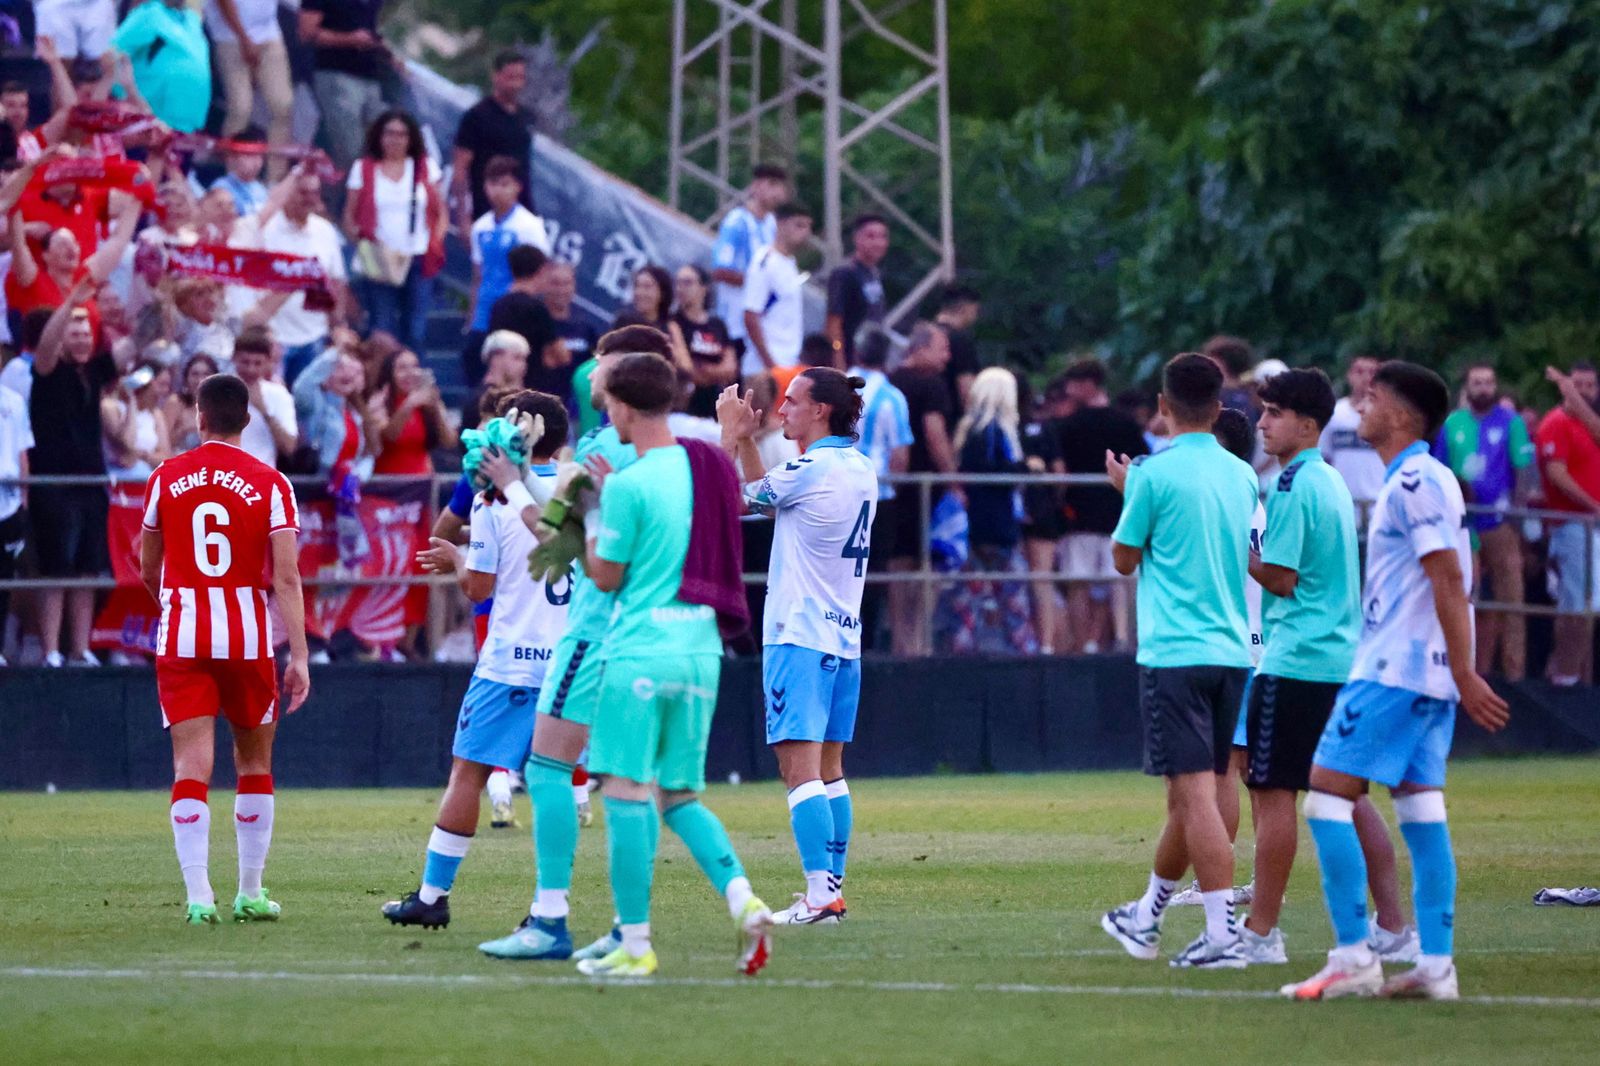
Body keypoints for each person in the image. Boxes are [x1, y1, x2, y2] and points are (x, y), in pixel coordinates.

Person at [1282, 361, 1510, 1001]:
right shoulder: (1421, 478)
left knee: (1326, 796)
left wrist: (1465, 671)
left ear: (1404, 416)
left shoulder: (1413, 479)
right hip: (1423, 674)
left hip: (1395, 671)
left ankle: (1354, 957)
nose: (1362, 401)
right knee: (1420, 809)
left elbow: (1447, 577)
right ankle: (1435, 967)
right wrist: (1454, 672)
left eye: (1373, 395)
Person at [568, 349, 774, 979]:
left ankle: (634, 944)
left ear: (625, 407)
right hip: (702, 650)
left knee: (625, 792)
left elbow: (605, 577)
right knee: (680, 796)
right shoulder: (708, 463)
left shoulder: (629, 484)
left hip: (639, 651)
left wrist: (585, 512)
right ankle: (745, 900)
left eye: (608, 406)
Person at [380, 391, 569, 929]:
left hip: (510, 662)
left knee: (468, 773)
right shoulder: (583, 488)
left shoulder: (494, 499)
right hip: (574, 661)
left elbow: (478, 586)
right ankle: (549, 906)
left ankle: (432, 896)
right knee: (560, 782)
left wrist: (458, 556)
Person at [1099, 352, 1258, 970]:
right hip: (1230, 652)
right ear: (1220, 409)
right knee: (1192, 795)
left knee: (1193, 799)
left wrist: (1128, 491)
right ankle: (1146, 915)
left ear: (1162, 407)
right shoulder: (1243, 474)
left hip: (1175, 654)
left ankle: (1222, 934)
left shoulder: (1154, 475)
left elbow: (1122, 558)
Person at [138, 372, 311, 925]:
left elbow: (147, 567)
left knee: (191, 763)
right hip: (247, 638)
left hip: (184, 634)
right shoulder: (271, 482)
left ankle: (197, 897)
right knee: (254, 761)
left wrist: (180, 602)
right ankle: (250, 892)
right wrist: (301, 656)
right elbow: (286, 578)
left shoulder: (166, 477)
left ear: (199, 416)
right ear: (248, 419)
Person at [718, 367, 876, 924]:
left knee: (799, 770)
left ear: (821, 412)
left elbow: (730, 501)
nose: (781, 410)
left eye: (791, 402)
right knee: (830, 770)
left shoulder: (811, 469)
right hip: (842, 638)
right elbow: (767, 501)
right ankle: (829, 890)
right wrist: (749, 445)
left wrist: (732, 434)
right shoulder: (856, 466)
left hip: (799, 636)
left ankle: (819, 896)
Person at [1232, 369, 1361, 964]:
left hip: (1295, 658)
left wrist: (1244, 552)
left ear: (1307, 425)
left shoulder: (1289, 484)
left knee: (1272, 792)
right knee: (1344, 796)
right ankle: (1390, 923)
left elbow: (1280, 578)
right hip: (1335, 655)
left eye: (1274, 413)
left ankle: (1259, 934)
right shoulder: (1330, 479)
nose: (1262, 423)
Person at [29, 284, 129, 668]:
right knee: (56, 566)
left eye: (87, 331)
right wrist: (69, 303)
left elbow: (133, 349)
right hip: (53, 484)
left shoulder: (96, 370)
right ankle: (52, 649)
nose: (83, 336)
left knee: (87, 567)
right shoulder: (47, 370)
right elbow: (47, 344)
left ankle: (79, 648)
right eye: (74, 331)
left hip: (91, 484)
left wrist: (157, 298)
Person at [1432, 364, 1533, 681]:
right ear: (1467, 386)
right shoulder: (1453, 424)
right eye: (1477, 382)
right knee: (1464, 595)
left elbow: (1525, 470)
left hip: (1500, 523)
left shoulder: (1511, 422)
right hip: (1463, 523)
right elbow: (1439, 469)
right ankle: (1463, 670)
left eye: (1489, 382)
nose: (1484, 388)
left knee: (1512, 601)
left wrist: (1516, 516)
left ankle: (1515, 675)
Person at [1050, 358, 1148, 654]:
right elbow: (1142, 463)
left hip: (1078, 517)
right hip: (1120, 515)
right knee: (1120, 581)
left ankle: (1083, 645)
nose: (1068, 390)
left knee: (1077, 580)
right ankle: (1121, 639)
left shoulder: (1067, 426)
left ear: (1089, 384)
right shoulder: (1127, 424)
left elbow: (1060, 472)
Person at [343, 110, 445, 355]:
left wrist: (435, 240)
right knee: (383, 325)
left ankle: (415, 377)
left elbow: (440, 212)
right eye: (390, 133)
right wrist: (362, 244)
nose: (395, 140)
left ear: (411, 139)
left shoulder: (424, 167)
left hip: (418, 254)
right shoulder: (364, 168)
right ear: (380, 136)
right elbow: (349, 214)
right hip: (380, 255)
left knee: (416, 326)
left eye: (402, 134)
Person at [949, 367, 1036, 655]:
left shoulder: (969, 430)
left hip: (973, 525)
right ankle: (1023, 655)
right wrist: (1026, 468)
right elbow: (998, 473)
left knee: (969, 600)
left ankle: (962, 653)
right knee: (1014, 599)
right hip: (997, 526)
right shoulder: (995, 433)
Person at [886, 322, 956, 656]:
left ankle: (900, 640)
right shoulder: (932, 386)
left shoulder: (889, 381)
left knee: (897, 566)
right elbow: (935, 433)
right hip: (924, 490)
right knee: (926, 566)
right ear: (921, 348)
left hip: (892, 489)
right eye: (942, 348)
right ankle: (918, 644)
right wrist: (955, 480)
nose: (948, 357)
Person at [242, 171, 349, 385]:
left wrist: (338, 325)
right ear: (287, 193)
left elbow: (337, 282)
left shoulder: (325, 230)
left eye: (315, 193)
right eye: (303, 192)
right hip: (273, 338)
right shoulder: (264, 231)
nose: (310, 198)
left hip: (315, 335)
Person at [1533, 363, 1600, 687]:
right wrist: (1594, 507)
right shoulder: (1556, 423)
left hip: (1591, 525)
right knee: (1576, 604)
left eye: (1590, 385)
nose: (1585, 391)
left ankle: (1573, 676)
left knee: (1586, 604)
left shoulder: (1590, 425)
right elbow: (1557, 475)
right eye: (1578, 385)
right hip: (1572, 524)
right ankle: (1564, 678)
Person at [849, 325, 913, 651]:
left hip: (837, 490)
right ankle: (867, 642)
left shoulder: (839, 387)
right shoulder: (892, 397)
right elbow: (900, 454)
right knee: (872, 570)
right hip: (879, 494)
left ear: (857, 352)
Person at [466, 155, 549, 370]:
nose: (498, 191)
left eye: (505, 184)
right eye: (493, 184)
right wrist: (472, 318)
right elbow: (478, 275)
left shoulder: (528, 225)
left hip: (514, 313)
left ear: (517, 187)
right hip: (484, 313)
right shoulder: (480, 227)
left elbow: (541, 272)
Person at [299, 0, 394, 173]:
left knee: (383, 142)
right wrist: (349, 39)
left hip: (370, 77)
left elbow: (370, 26)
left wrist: (386, 52)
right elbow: (307, 33)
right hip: (336, 74)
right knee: (351, 152)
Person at [450, 51, 538, 230]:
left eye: (520, 78)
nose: (516, 84)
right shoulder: (477, 116)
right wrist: (463, 217)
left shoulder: (526, 118)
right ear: (496, 76)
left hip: (520, 209)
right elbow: (460, 169)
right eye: (510, 77)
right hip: (486, 208)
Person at [711, 165, 788, 366]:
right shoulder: (737, 222)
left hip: (761, 326)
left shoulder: (772, 223)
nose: (778, 193)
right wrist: (758, 282)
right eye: (772, 185)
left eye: (781, 186)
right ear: (755, 187)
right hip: (734, 324)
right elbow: (720, 270)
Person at [205, 2, 293, 154]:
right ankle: (233, 167)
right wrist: (243, 38)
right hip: (230, 37)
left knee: (282, 105)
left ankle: (276, 174)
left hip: (269, 33)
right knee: (241, 108)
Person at [112, 0, 211, 133]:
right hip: (152, 125)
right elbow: (111, 54)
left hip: (188, 125)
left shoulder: (192, 19)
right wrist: (128, 94)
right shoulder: (150, 14)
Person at [487, 245, 568, 397]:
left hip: (502, 386)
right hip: (534, 387)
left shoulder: (498, 306)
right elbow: (560, 354)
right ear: (541, 271)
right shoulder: (537, 308)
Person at [741, 204, 812, 376]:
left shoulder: (789, 262)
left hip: (788, 362)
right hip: (764, 368)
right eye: (799, 225)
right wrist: (771, 365)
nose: (805, 233)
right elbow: (751, 315)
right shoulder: (765, 262)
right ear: (780, 224)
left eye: (808, 227)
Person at [293, 346, 373, 478]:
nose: (347, 374)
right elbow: (301, 386)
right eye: (339, 368)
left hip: (344, 491)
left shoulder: (354, 413)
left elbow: (367, 455)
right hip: (314, 487)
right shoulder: (314, 405)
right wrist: (336, 350)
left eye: (352, 369)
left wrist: (357, 475)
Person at [670, 264, 735, 418]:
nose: (680, 288)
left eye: (687, 283)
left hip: (712, 411)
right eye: (678, 283)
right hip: (680, 409)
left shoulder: (718, 325)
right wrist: (713, 372)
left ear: (704, 287)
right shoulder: (673, 322)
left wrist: (702, 369)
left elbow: (730, 369)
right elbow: (686, 369)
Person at [1320, 354, 1385, 506]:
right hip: (1343, 502)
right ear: (1349, 375)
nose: (1366, 378)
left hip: (1376, 502)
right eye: (1360, 372)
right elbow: (1324, 457)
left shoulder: (1385, 416)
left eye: (1372, 372)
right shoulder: (1334, 414)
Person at [826, 215, 889, 367]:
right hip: (851, 360)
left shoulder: (873, 274)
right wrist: (838, 360)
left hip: (871, 359)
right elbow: (833, 322)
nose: (878, 243)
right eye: (871, 236)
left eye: (882, 237)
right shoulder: (845, 273)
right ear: (857, 238)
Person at [231, 326, 297, 468]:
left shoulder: (279, 394)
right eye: (245, 362)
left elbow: (289, 446)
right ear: (234, 358)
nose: (251, 369)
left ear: (268, 362)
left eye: (257, 363)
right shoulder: (217, 390)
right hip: (224, 476)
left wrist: (264, 410)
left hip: (262, 476)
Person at [0, 373, 32, 665]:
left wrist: (23, 499)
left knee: (5, 577)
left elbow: (22, 452)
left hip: (8, 505)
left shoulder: (14, 401)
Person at [102, 361, 173, 480]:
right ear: (144, 383)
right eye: (161, 385)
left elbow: (166, 458)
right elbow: (126, 449)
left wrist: (143, 455)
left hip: (148, 478)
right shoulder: (110, 407)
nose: (165, 391)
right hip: (118, 479)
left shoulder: (156, 414)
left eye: (167, 386)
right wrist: (132, 402)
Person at [461, 330, 529, 433]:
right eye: (517, 358)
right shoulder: (479, 401)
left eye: (524, 359)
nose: (523, 365)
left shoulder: (523, 395)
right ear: (497, 357)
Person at [934, 285, 982, 412]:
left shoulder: (925, 335)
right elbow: (966, 386)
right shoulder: (960, 340)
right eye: (975, 311)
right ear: (966, 308)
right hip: (951, 416)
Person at [208, 126, 270, 218]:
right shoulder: (221, 187)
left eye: (259, 156)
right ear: (233, 157)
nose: (256, 162)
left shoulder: (262, 191)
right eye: (249, 155)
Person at [164, 353, 220, 455]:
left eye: (206, 374)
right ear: (186, 379)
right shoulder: (176, 402)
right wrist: (184, 430)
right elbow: (162, 444)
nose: (200, 380)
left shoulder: (221, 407)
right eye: (195, 374)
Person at [611, 264, 675, 339]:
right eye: (637, 286)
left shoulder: (672, 330)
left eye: (647, 287)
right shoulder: (624, 321)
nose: (639, 292)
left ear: (662, 293)